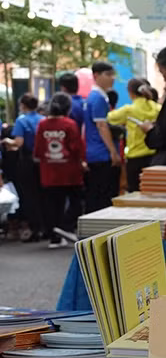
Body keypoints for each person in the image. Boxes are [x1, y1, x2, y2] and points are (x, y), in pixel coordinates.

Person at [33, 93, 86, 248]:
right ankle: (66, 227)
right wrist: (82, 162)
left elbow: (38, 149)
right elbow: (77, 147)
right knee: (76, 200)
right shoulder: (69, 124)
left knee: (52, 204)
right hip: (69, 171)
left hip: (49, 171)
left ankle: (55, 237)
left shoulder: (42, 124)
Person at [2, 94, 44, 241]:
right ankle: (45, 227)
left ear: (23, 106)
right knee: (42, 194)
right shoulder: (42, 119)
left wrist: (7, 140)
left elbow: (18, 143)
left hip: (27, 161)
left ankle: (34, 228)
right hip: (42, 161)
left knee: (29, 196)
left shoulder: (22, 120)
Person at [107, 78, 161, 192]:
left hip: (135, 157)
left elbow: (109, 118)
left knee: (136, 192)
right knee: (154, 191)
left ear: (130, 92)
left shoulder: (129, 110)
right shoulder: (157, 108)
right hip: (155, 156)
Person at [84, 61, 121, 213]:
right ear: (96, 76)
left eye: (113, 75)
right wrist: (113, 152)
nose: (112, 78)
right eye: (108, 74)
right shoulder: (98, 98)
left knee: (95, 195)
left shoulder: (94, 97)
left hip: (94, 153)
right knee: (103, 198)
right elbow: (101, 126)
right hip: (101, 153)